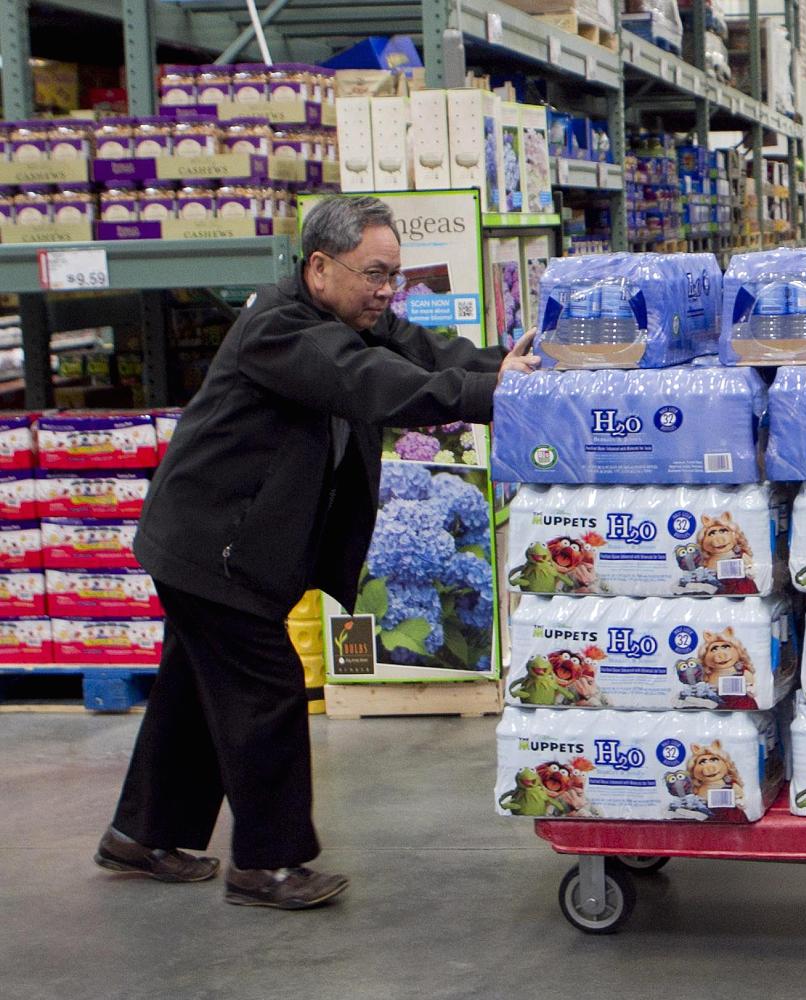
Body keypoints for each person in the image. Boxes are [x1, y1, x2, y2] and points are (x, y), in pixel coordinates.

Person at [96, 195, 540, 910]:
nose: (386, 291)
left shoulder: (349, 315)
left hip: (224, 538)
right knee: (264, 691)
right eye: (374, 274)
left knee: (192, 693)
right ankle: (266, 864)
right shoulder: (281, 329)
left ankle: (139, 835)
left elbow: (419, 350)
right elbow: (371, 383)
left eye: (393, 275)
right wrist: (488, 395)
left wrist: (506, 367)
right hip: (211, 544)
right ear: (320, 267)